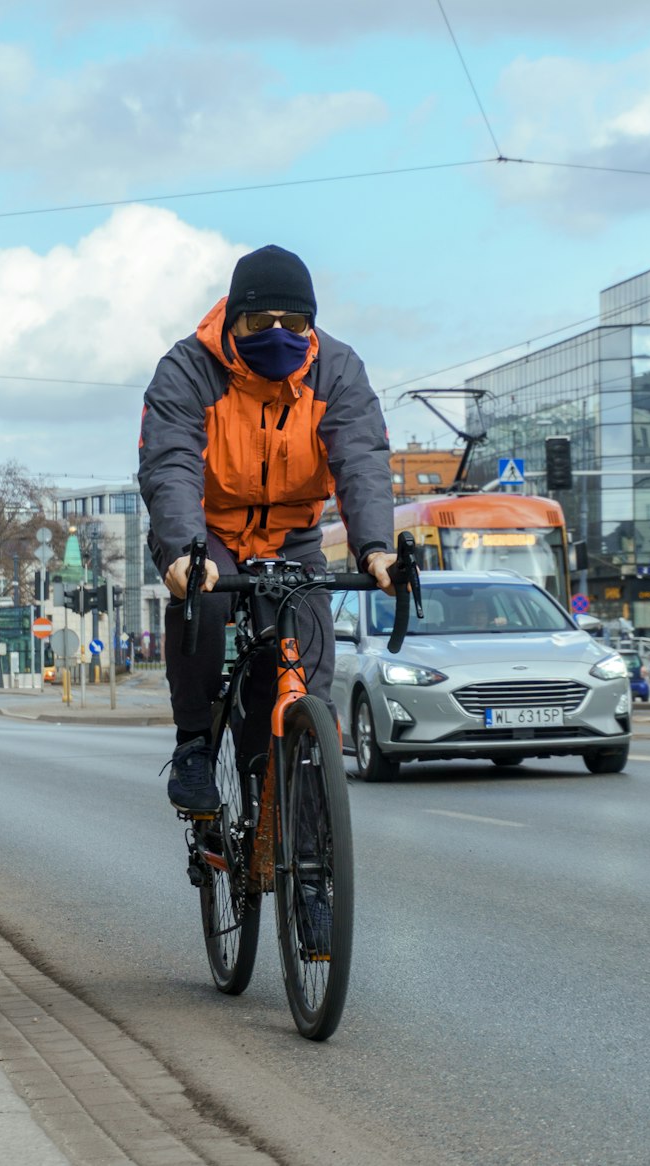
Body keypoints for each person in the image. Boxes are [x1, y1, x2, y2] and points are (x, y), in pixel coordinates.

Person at [139, 244, 397, 815]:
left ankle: (304, 854)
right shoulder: (187, 368)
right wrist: (184, 553)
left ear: (311, 323)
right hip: (205, 530)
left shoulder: (339, 369)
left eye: (295, 322)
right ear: (234, 320)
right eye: (260, 322)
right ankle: (194, 746)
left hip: (292, 536)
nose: (279, 333)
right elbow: (170, 462)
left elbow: (362, 460)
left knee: (304, 678)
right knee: (201, 604)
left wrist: (375, 549)